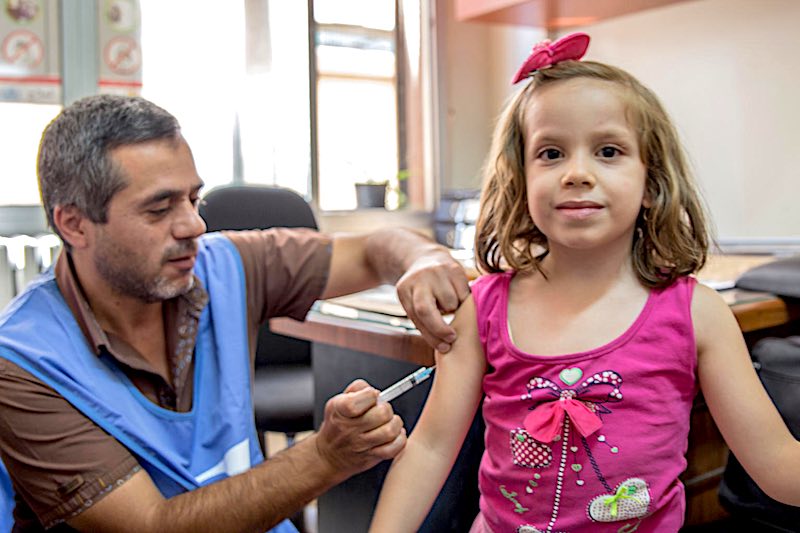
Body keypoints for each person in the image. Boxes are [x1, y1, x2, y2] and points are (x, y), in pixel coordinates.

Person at [369, 33, 800, 533]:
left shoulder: (697, 314)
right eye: (551, 153)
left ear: (650, 180)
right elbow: (429, 449)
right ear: (521, 176)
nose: (577, 173)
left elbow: (776, 465)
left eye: (609, 151)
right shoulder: (482, 309)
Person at [0, 94, 471, 532]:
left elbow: (373, 251)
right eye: (160, 209)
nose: (194, 225)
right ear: (75, 224)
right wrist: (326, 457)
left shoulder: (223, 265)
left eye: (192, 198)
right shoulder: (22, 363)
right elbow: (152, 525)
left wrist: (422, 259)